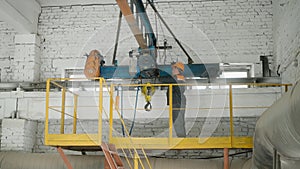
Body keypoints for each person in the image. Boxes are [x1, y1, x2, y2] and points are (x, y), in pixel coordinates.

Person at [166, 62, 187, 137]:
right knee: (178, 120)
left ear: (178, 69)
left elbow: (167, 81)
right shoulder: (178, 78)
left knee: (178, 120)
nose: (172, 70)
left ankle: (181, 138)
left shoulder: (178, 78)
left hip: (177, 100)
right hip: (177, 100)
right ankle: (181, 137)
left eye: (174, 68)